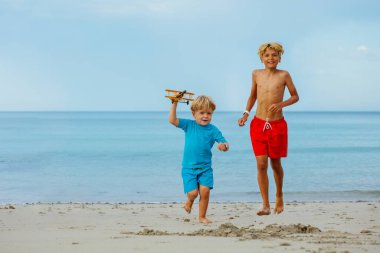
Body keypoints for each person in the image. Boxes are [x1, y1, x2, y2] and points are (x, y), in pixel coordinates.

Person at [238, 42, 299, 215]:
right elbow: (252, 96)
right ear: (261, 58)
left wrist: (281, 104)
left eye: (274, 55)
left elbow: (295, 96)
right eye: (267, 55)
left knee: (275, 163)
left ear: (279, 58)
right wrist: (245, 113)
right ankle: (265, 204)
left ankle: (279, 195)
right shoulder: (256, 74)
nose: (270, 58)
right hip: (258, 124)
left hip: (277, 124)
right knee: (261, 163)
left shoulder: (284, 75)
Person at [169, 95, 229, 224]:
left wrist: (223, 146)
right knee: (193, 193)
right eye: (201, 113)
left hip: (205, 168)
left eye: (209, 113)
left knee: (205, 191)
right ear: (193, 114)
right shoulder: (189, 125)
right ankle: (189, 201)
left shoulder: (213, 129)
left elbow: (224, 142)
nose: (205, 116)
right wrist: (174, 103)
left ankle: (202, 217)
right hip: (189, 168)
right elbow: (172, 120)